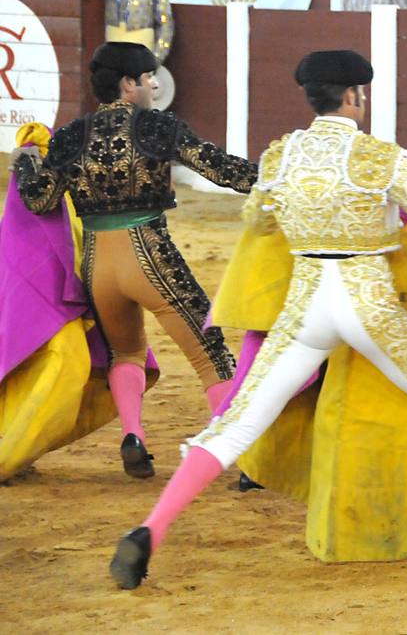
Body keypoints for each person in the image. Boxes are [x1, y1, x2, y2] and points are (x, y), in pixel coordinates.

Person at [109, 49, 407, 589]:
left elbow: (258, 220)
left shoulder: (279, 156)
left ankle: (150, 529)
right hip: (370, 306)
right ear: (356, 95)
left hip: (306, 307)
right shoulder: (380, 157)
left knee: (237, 422)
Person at [12, 41, 255, 481]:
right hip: (149, 252)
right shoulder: (157, 127)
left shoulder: (69, 136)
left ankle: (134, 434)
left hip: (97, 266)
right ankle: (248, 462)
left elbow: (38, 199)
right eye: (148, 78)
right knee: (210, 357)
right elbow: (225, 172)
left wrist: (25, 164)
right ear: (128, 84)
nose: (155, 84)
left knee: (125, 352)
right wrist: (286, 171)